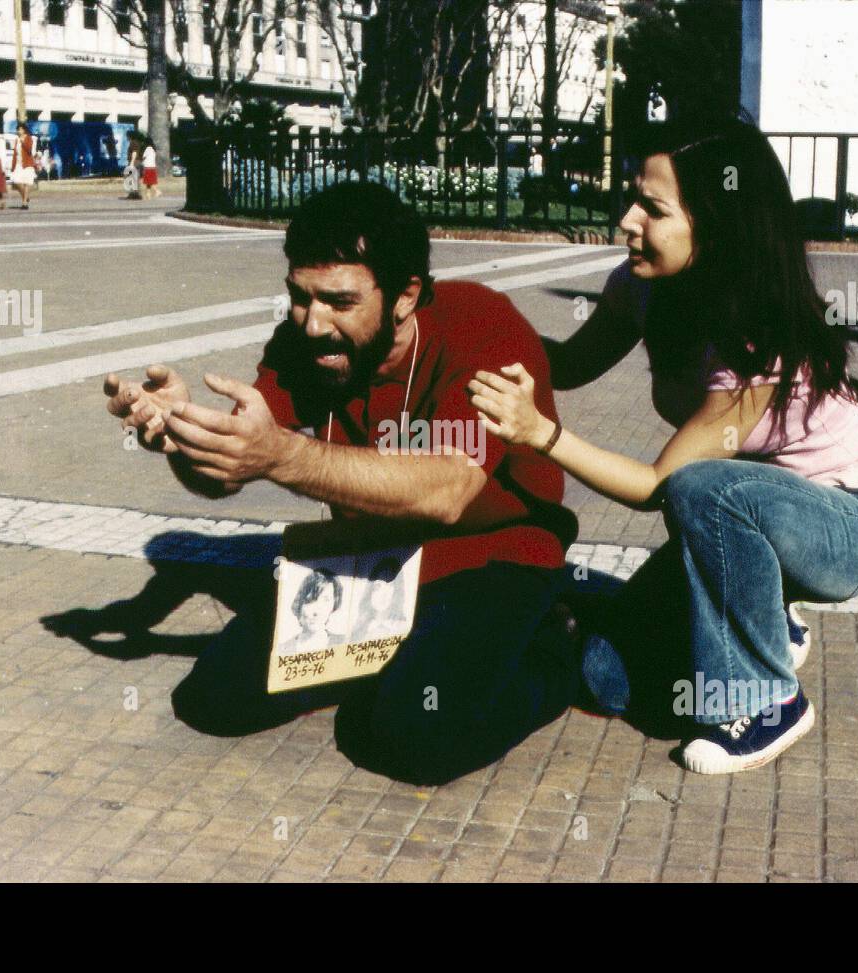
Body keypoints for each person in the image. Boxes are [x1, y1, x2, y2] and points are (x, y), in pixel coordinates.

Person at [469, 115, 858, 776]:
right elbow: (569, 364)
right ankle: (769, 624)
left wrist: (540, 433)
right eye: (630, 198)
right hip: (745, 519)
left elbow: (657, 487)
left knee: (699, 486)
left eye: (652, 208)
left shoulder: (756, 331)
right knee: (605, 676)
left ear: (716, 221)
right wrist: (485, 338)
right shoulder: (641, 286)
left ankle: (765, 702)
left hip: (849, 526)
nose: (626, 221)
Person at [103, 182, 582, 785]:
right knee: (215, 699)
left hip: (493, 558)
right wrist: (181, 436)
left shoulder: (480, 324)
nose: (312, 324)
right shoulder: (306, 345)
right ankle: (399, 659)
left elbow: (447, 490)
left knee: (418, 733)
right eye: (300, 298)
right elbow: (227, 474)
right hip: (372, 560)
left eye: (339, 301)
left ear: (406, 294)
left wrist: (284, 456)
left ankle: (562, 648)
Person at [278, 569, 343, 656]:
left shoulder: (344, 643)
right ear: (300, 606)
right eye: (310, 600)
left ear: (334, 604)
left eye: (326, 600)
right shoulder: (282, 650)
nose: (316, 611)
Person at [10, 121, 36, 209]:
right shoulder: (16, 140)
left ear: (24, 130)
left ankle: (24, 203)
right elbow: (15, 153)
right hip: (18, 164)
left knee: (27, 183)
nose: (19, 131)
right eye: (18, 130)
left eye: (20, 129)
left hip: (27, 164)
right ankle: (26, 196)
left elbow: (29, 150)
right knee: (16, 181)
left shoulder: (28, 138)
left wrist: (23, 141)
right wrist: (12, 165)